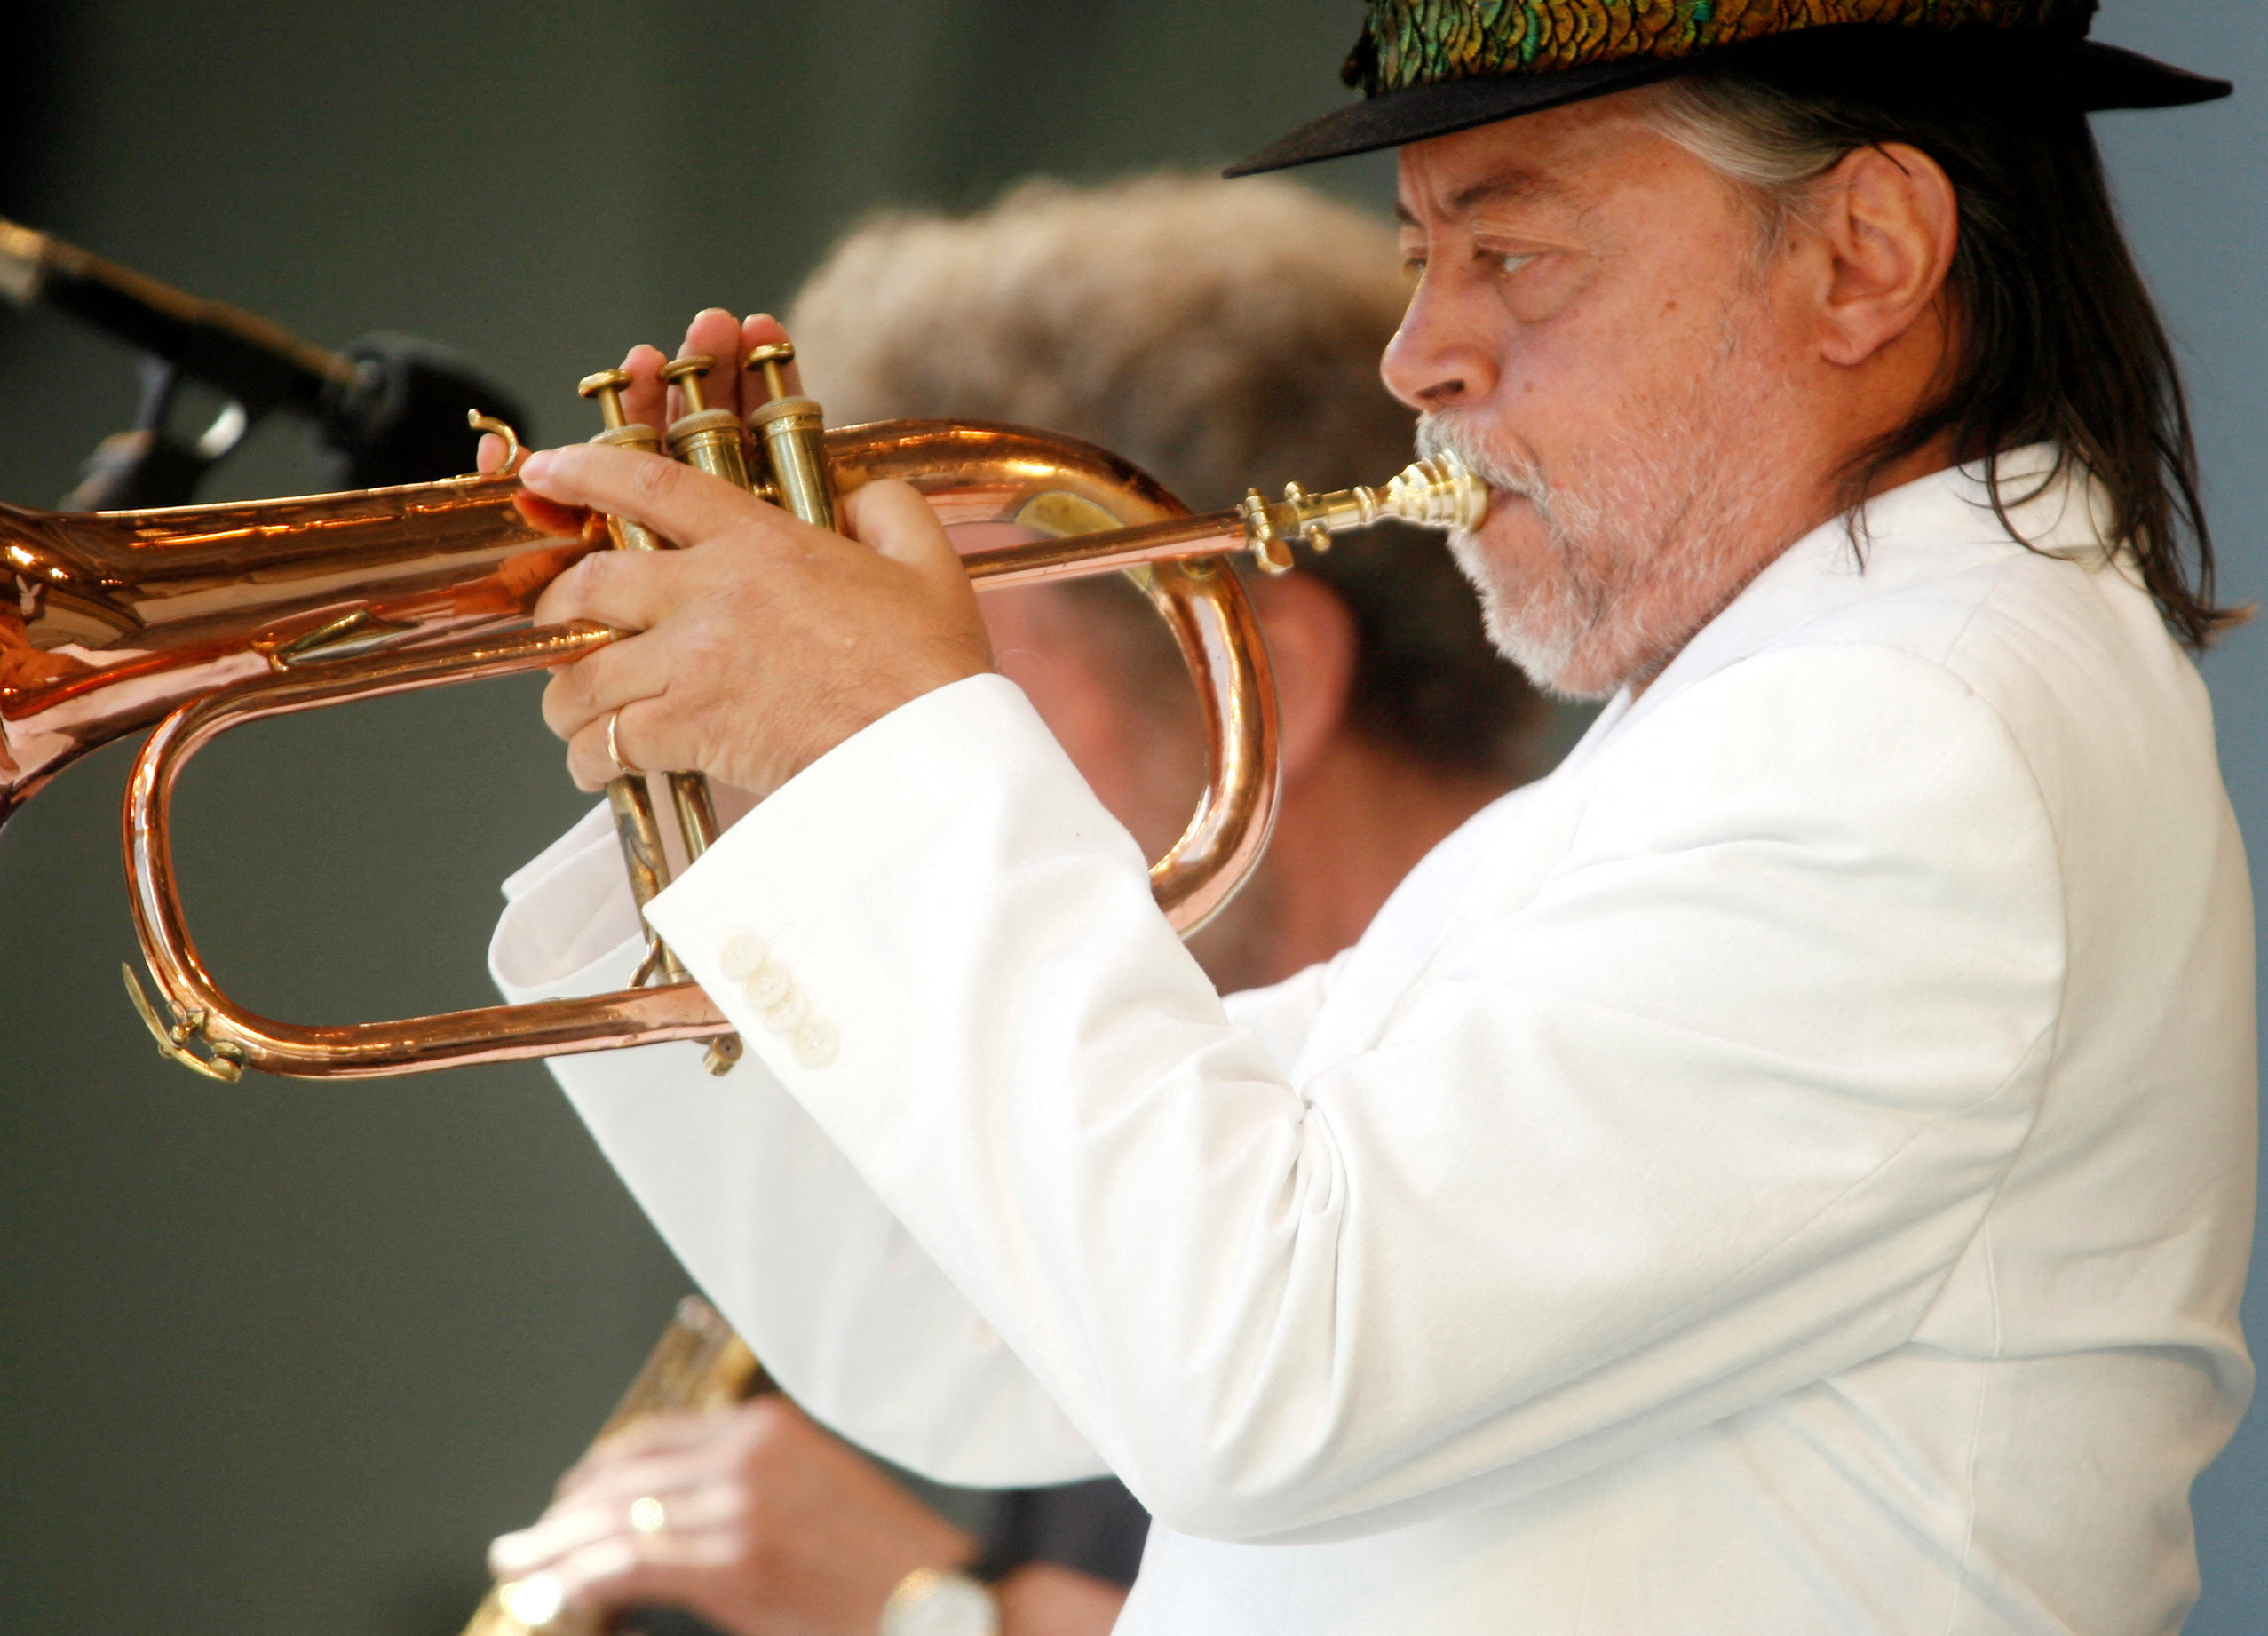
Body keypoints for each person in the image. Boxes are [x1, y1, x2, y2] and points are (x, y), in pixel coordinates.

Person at [485, 0, 2256, 1634]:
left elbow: (1263, 1368)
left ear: (1866, 252)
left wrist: (885, 745)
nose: (1419, 355)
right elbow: (978, 1333)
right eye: (1419, 254)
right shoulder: (1786, 711)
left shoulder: (1902, 735)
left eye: (1516, 253)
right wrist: (736, 799)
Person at [485, 175, 1542, 1634]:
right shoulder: (1082, 1161)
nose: (850, 735)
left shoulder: (1546, 1056)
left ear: (1267, 682)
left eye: (939, 668)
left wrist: (939, 1610)